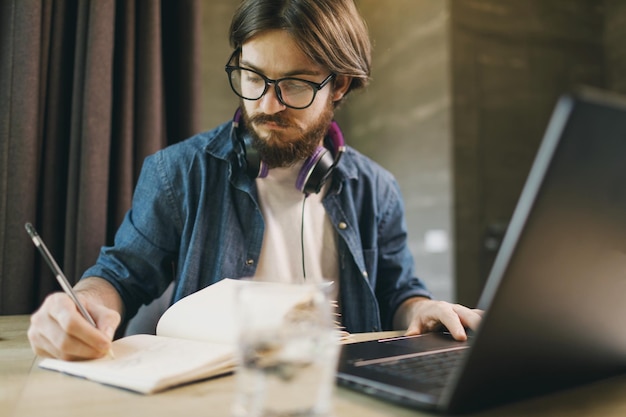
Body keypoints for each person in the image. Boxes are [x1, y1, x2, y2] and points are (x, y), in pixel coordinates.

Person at [28, 0, 482, 361]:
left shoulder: (377, 189)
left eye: (296, 85)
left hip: (341, 395)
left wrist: (424, 310)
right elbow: (118, 277)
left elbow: (400, 291)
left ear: (339, 85)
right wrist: (82, 305)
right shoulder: (177, 172)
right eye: (252, 76)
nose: (267, 104)